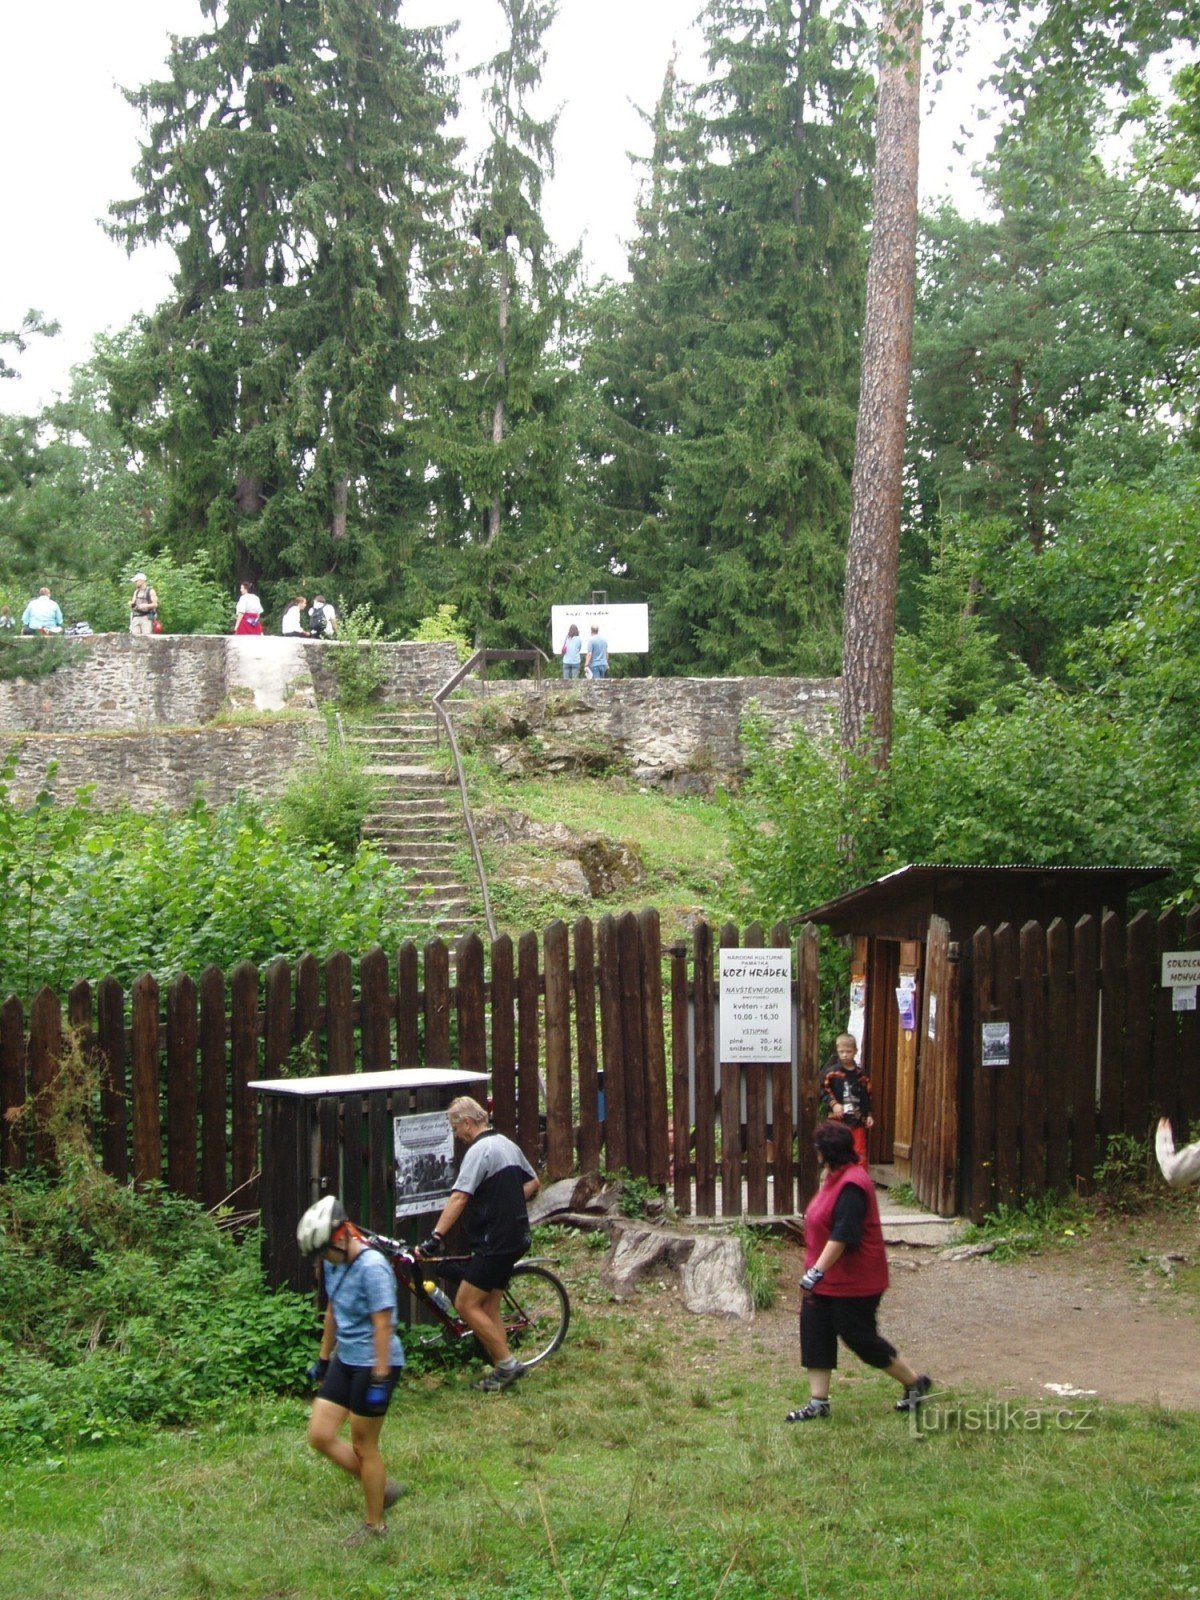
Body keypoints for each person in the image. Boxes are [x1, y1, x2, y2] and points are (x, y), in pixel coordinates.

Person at [786, 1120, 931, 1423]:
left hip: (854, 1282)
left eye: (818, 1150)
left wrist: (815, 1273)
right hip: (825, 1281)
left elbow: (843, 1234)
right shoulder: (832, 1177)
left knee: (861, 1339)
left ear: (828, 1153)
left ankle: (915, 1384)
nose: (815, 1155)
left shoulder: (853, 1184)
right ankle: (818, 1403)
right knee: (815, 1334)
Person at [297, 1195, 407, 1547]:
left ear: (342, 1235)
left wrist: (379, 1376)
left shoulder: (373, 1267)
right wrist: (324, 1358)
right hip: (347, 1359)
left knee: (364, 1445)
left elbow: (382, 1326)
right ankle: (381, 1486)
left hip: (376, 1362)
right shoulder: (334, 1262)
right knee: (320, 1434)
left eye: (323, 1251)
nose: (323, 1261)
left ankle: (375, 1527)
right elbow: (333, 1310)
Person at [419, 1096, 540, 1392]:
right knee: (489, 1306)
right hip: (516, 1238)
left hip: (494, 1242)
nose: (456, 1135)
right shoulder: (506, 1144)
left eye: (455, 1128)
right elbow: (533, 1183)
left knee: (466, 1303)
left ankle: (507, 1364)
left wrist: (435, 1239)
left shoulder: (479, 1151)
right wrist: (507, 1201)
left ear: (468, 1123)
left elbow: (459, 1197)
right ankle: (503, 1368)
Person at [821, 1033, 874, 1167]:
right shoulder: (831, 1073)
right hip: (837, 1120)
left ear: (855, 1051)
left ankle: (859, 1182)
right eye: (841, 1052)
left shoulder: (861, 1075)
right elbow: (822, 1090)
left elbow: (867, 1096)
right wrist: (833, 1104)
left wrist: (869, 1115)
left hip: (857, 1121)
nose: (845, 1055)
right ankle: (835, 1183)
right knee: (835, 1152)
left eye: (848, 1051)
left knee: (859, 1153)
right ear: (837, 1051)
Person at [128, 572, 158, 637]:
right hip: (136, 616)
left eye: (136, 581)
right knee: (134, 637)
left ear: (142, 581)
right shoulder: (136, 592)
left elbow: (155, 604)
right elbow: (133, 604)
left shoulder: (150, 591)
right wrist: (131, 604)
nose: (135, 583)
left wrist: (146, 605)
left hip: (146, 617)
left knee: (147, 637)